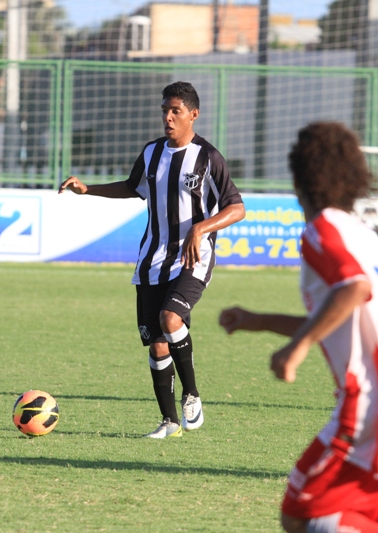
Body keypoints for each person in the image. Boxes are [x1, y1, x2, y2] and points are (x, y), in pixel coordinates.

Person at [219, 122, 378, 532]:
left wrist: (297, 348)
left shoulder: (321, 229)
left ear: (300, 177)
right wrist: (261, 321)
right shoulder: (359, 232)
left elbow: (353, 289)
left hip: (375, 399)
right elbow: (343, 317)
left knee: (301, 511)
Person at [59, 81, 245, 438]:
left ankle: (192, 394)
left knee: (171, 318)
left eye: (175, 110)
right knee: (157, 342)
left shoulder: (208, 157)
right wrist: (88, 190)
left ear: (193, 114)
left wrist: (201, 228)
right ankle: (170, 422)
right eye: (164, 110)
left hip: (193, 258)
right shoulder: (152, 152)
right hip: (151, 260)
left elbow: (237, 207)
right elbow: (132, 187)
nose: (168, 117)